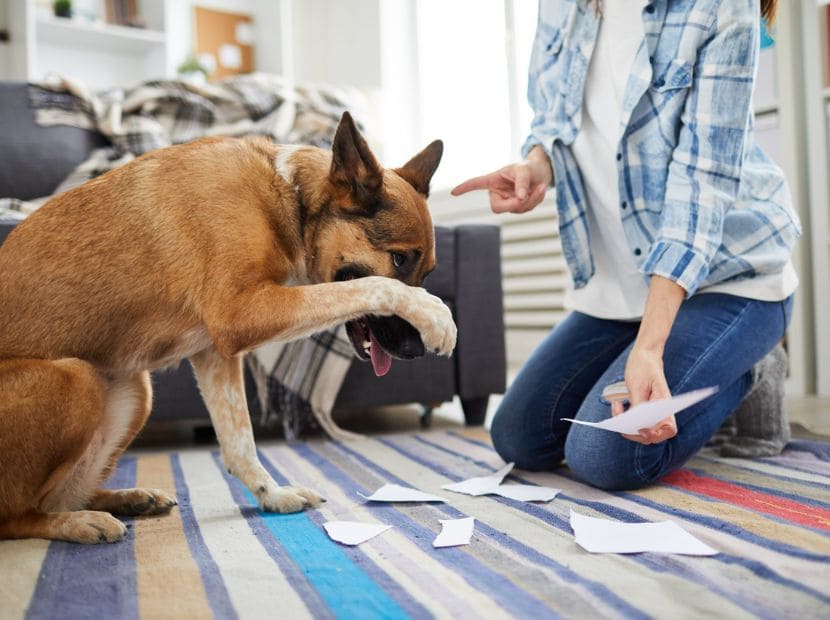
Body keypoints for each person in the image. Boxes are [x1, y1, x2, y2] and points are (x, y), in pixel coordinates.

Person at [452, 0, 800, 490]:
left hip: (731, 279)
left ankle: (750, 367)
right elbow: (554, 120)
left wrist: (651, 348)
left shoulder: (721, 8)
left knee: (606, 456)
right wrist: (535, 166)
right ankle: (687, 356)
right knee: (519, 438)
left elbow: (701, 187)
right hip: (623, 291)